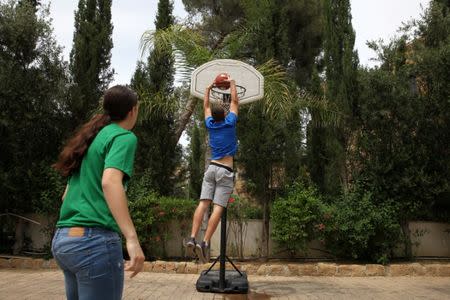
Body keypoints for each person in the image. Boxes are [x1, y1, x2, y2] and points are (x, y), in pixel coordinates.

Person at [51, 85, 145, 300]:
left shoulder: (90, 138)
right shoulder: (123, 137)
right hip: (93, 243)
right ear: (133, 110)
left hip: (64, 240)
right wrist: (132, 238)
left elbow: (66, 196)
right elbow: (110, 182)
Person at [186, 75, 239, 264]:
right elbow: (233, 100)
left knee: (203, 204)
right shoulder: (230, 121)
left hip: (211, 169)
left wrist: (207, 89)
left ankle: (192, 237)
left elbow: (206, 107)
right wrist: (232, 83)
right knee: (218, 208)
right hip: (225, 170)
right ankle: (205, 242)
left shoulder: (210, 124)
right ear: (224, 114)